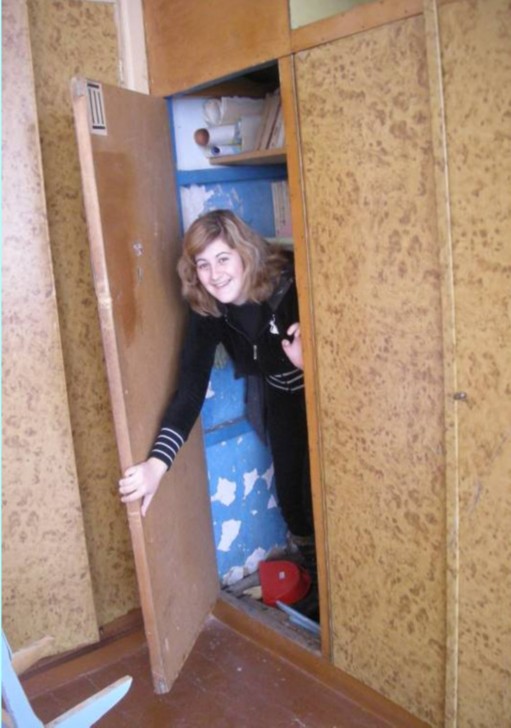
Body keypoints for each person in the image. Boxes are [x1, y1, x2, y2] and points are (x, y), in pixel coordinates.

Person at [118, 209, 317, 617]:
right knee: (294, 503)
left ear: (245, 254)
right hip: (280, 398)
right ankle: (318, 582)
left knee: (319, 497)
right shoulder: (210, 308)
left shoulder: (292, 284)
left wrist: (312, 363)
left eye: (223, 258)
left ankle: (342, 589)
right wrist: (157, 465)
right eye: (203, 264)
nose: (214, 274)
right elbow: (190, 388)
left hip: (320, 398)